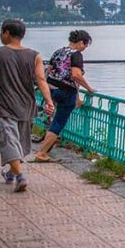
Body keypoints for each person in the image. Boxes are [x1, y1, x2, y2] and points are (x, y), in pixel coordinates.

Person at [0, 19, 55, 192]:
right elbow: (41, 80)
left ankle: (20, 177)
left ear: (6, 33)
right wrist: (49, 102)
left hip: (4, 106)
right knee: (21, 144)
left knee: (9, 142)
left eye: (1, 32)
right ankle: (11, 174)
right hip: (27, 106)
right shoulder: (35, 55)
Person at [34, 29, 95, 162]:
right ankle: (42, 153)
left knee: (53, 117)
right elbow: (76, 75)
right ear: (80, 42)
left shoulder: (58, 52)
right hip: (65, 92)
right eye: (85, 45)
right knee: (59, 122)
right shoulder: (76, 54)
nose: (84, 48)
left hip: (51, 89)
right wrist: (89, 88)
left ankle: (45, 140)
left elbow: (48, 70)